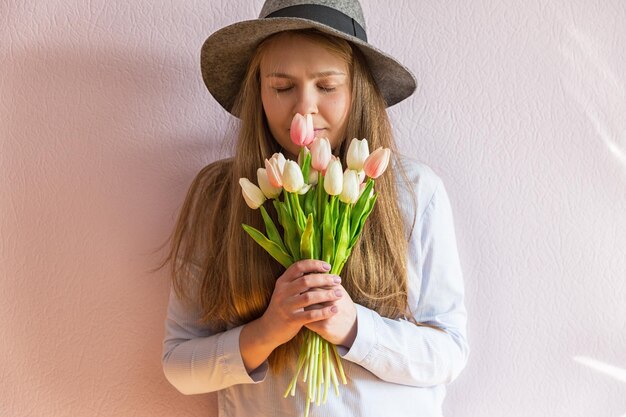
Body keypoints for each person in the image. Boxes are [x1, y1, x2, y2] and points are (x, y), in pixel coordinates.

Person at [161, 1, 469, 416]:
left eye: (327, 86)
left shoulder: (412, 191)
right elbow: (180, 366)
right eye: (282, 87)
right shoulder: (221, 196)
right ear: (259, 90)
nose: (304, 108)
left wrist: (353, 326)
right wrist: (269, 330)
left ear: (358, 88)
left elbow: (449, 352)